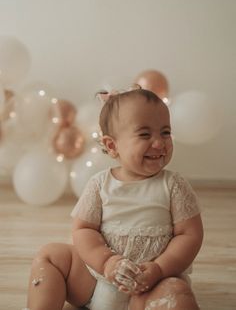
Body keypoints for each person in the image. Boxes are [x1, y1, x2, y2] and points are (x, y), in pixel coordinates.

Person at [25, 87, 203, 310]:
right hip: (96, 280)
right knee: (50, 256)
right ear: (112, 145)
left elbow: (190, 235)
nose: (159, 143)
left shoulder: (174, 185)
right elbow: (83, 230)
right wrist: (106, 262)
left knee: (177, 294)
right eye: (145, 134)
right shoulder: (100, 185)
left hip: (151, 285)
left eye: (165, 132)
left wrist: (159, 269)